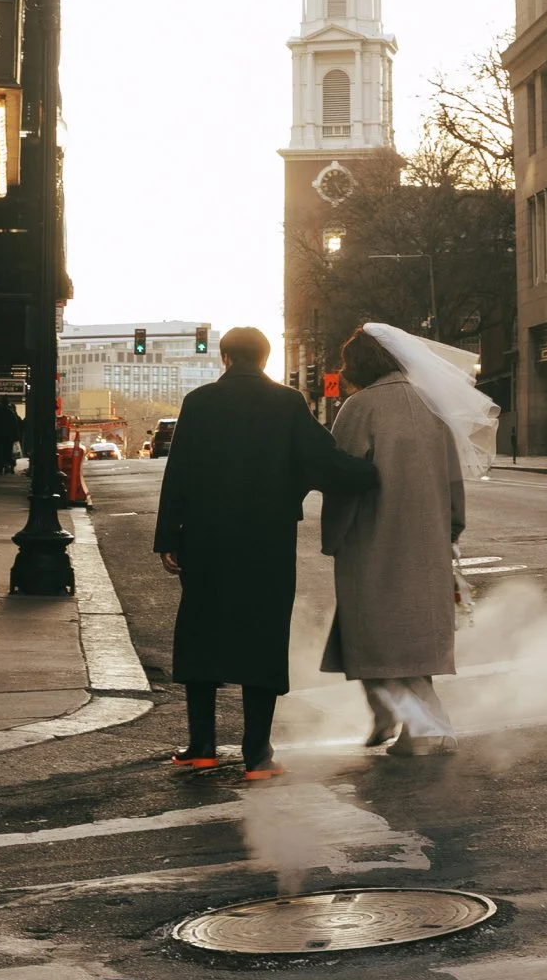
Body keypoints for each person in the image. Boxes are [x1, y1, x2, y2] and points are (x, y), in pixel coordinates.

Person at [153, 325, 378, 778]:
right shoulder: (286, 403)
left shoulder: (198, 403)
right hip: (266, 541)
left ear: (225, 358)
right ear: (265, 357)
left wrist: (169, 538)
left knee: (201, 634)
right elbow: (324, 461)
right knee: (262, 635)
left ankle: (202, 745)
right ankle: (257, 754)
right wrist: (370, 472)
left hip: (206, 539)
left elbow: (178, 474)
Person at [320, 323, 493, 756]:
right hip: (427, 540)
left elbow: (342, 480)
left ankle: (426, 726)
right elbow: (454, 480)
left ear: (360, 364)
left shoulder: (360, 408)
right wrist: (451, 529)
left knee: (382, 637)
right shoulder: (430, 405)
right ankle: (400, 720)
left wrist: (335, 535)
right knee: (410, 636)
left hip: (373, 540)